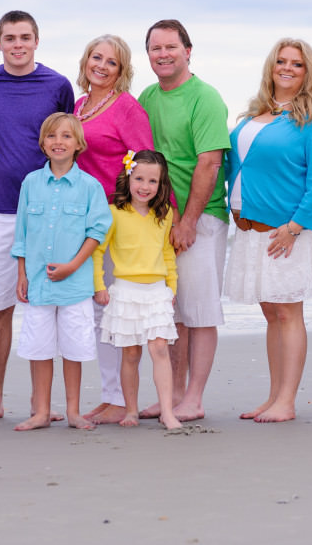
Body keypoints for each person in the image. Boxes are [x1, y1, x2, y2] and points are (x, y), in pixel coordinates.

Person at [0, 11, 75, 423]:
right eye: (9, 38)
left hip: (48, 211)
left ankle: (41, 403)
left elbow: (67, 141)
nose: (17, 44)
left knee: (47, 306)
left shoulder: (57, 85)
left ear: (36, 41)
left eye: (25, 37)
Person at [224, 38, 312, 423]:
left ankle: (287, 401)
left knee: (289, 314)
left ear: (308, 73)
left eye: (297, 64)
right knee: (271, 314)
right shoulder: (254, 115)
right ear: (271, 67)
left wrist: (294, 227)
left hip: (286, 234)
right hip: (250, 231)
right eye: (281, 61)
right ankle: (273, 396)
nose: (287, 68)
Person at [138, 19, 231, 422]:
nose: (163, 55)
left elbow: (210, 162)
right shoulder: (146, 96)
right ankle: (172, 392)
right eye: (155, 48)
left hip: (202, 218)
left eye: (170, 47)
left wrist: (189, 221)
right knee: (172, 312)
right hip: (159, 222)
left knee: (199, 310)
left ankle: (194, 397)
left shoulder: (204, 98)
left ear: (187, 51)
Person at [72, 35, 155, 425]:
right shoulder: (79, 106)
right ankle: (110, 395)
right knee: (96, 311)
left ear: (122, 71)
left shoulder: (127, 108)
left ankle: (125, 399)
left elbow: (146, 167)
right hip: (85, 221)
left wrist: (139, 219)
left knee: (116, 310)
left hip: (117, 219)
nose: (101, 66)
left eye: (112, 62)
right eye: (96, 57)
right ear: (86, 60)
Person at [11, 113, 112, 431]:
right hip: (39, 285)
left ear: (79, 143)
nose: (59, 142)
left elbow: (98, 230)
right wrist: (22, 274)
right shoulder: (31, 183)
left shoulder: (89, 186)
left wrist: (72, 266)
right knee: (39, 348)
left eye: (67, 136)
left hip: (75, 285)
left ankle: (73, 411)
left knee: (74, 349)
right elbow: (22, 233)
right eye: (52, 136)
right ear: (43, 143)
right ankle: (40, 411)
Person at [92, 150, 181, 430]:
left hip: (157, 291)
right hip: (126, 291)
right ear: (128, 178)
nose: (145, 186)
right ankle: (130, 410)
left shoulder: (163, 215)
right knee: (130, 354)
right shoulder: (114, 213)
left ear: (161, 184)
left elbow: (167, 253)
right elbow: (98, 252)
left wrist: (172, 287)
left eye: (152, 181)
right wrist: (99, 286)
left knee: (160, 349)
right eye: (139, 178)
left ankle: (167, 411)